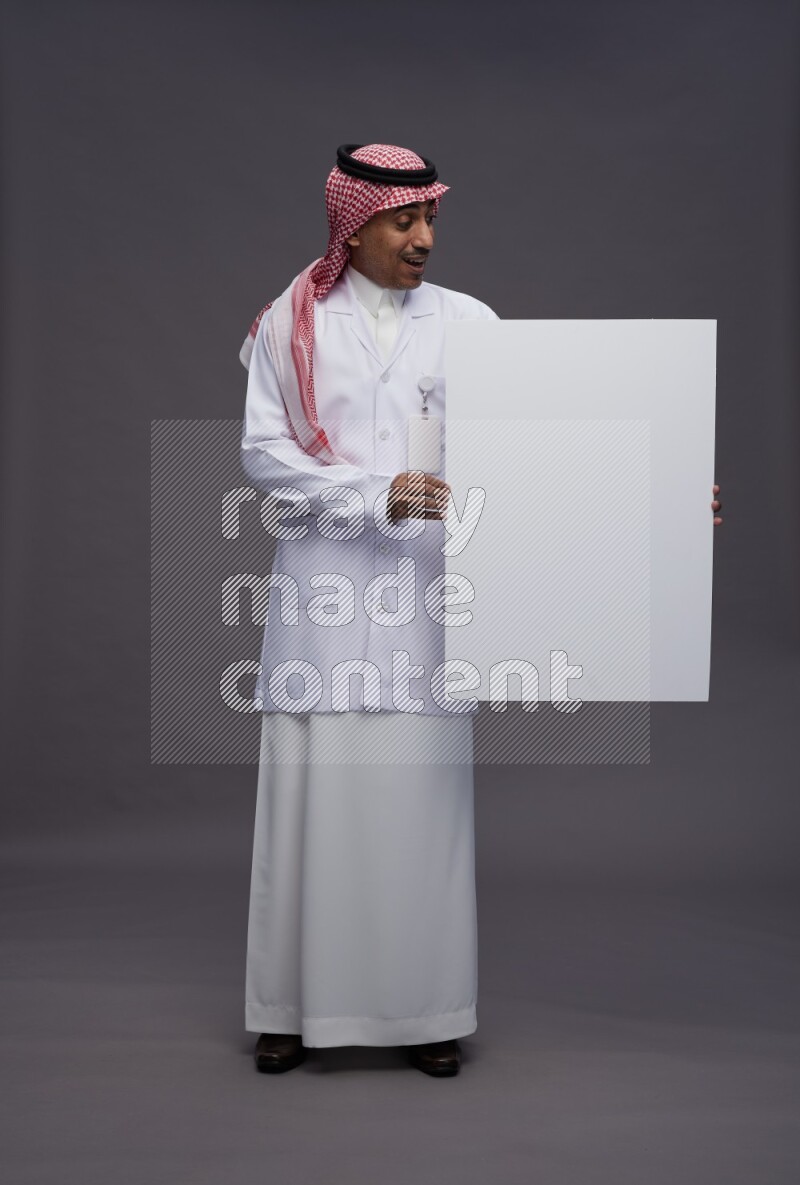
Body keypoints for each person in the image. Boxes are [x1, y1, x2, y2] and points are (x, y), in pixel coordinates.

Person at [238, 143, 725, 1078]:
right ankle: (289, 1009)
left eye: (430, 218)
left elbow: (541, 454)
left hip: (434, 603)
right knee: (310, 805)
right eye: (403, 220)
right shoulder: (291, 324)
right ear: (354, 225)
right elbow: (263, 452)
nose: (423, 237)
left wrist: (659, 498)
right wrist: (374, 493)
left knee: (420, 813)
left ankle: (426, 1010)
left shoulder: (470, 324)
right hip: (322, 597)